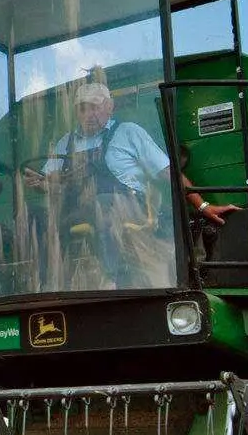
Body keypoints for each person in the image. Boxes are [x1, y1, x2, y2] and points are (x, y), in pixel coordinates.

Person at [41, 78, 231, 286]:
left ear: (109, 107)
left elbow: (169, 173)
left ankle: (111, 282)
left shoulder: (128, 132)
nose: (89, 115)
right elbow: (49, 183)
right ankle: (47, 287)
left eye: (94, 107)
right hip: (79, 208)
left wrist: (203, 206)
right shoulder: (64, 143)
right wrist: (42, 183)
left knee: (103, 205)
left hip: (129, 206)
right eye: (83, 109)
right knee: (41, 217)